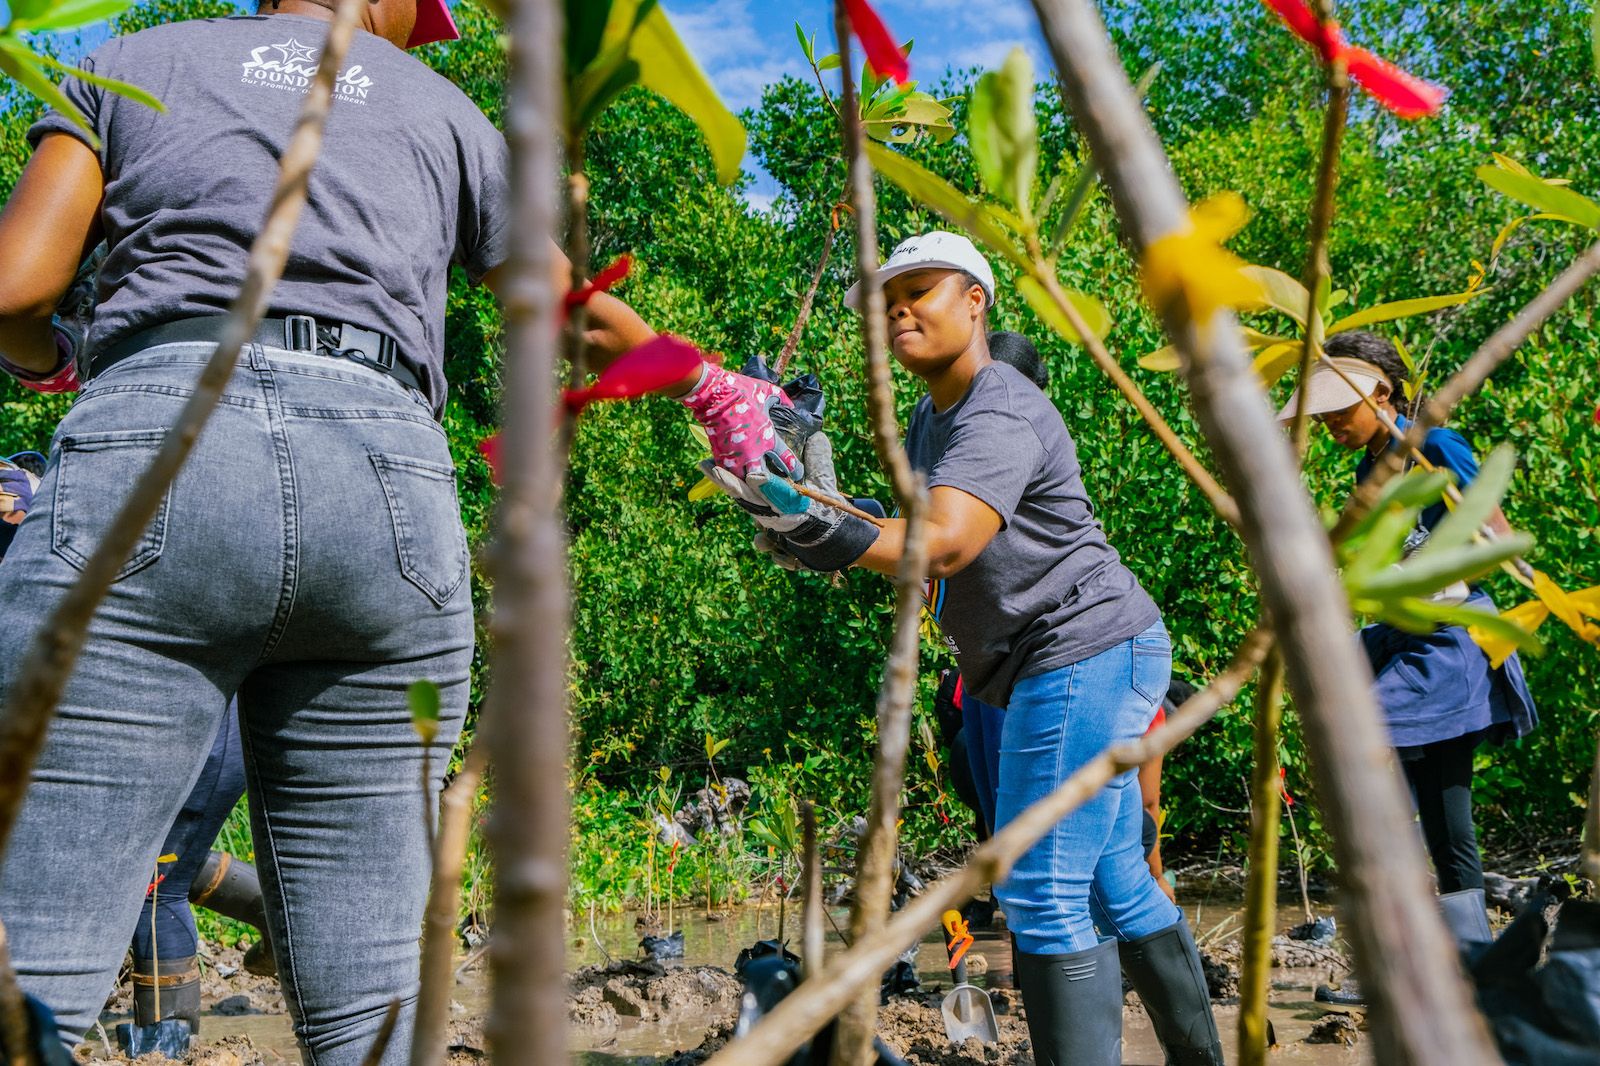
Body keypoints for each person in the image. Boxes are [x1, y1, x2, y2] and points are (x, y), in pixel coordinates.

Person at [0, 1, 791, 1061]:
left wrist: (46, 356)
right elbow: (573, 312)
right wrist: (709, 387)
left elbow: (16, 284)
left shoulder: (124, 63)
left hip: (160, 436)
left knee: (31, 961)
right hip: (380, 480)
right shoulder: (446, 112)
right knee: (378, 1001)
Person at [712, 231, 1223, 1066]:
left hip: (1077, 648)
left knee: (1043, 890)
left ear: (976, 299)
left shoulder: (1000, 406)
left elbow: (944, 544)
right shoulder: (932, 416)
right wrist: (813, 500)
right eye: (884, 301)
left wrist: (821, 526)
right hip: (1076, 652)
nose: (898, 309)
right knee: (1113, 880)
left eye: (919, 289)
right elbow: (910, 527)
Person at [1283, 330, 1537, 957]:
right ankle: (1465, 957)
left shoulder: (1434, 445)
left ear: (1381, 392)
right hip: (1405, 639)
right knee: (1447, 814)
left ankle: (1412, 954)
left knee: (1374, 756)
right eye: (1322, 411)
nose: (1328, 422)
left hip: (1450, 643)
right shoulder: (1374, 464)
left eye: (1338, 408)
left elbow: (1497, 534)